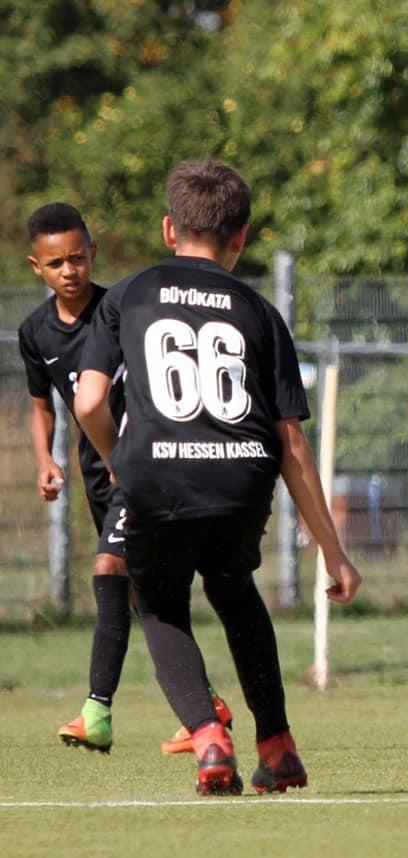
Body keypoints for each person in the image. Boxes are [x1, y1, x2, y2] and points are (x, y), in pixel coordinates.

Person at [74, 159, 362, 794]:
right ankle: (278, 747)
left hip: (157, 475)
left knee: (158, 602)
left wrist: (120, 461)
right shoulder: (259, 310)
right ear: (242, 236)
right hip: (242, 476)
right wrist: (333, 552)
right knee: (233, 589)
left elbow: (90, 401)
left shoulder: (129, 294)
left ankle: (208, 737)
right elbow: (292, 442)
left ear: (169, 229)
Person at [18, 203, 231, 755]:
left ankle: (97, 711)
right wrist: (45, 459)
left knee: (109, 568)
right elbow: (42, 407)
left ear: (93, 253)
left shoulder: (123, 310)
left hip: (142, 463)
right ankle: (205, 705)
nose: (70, 270)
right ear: (37, 267)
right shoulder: (34, 332)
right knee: (144, 592)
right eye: (56, 263)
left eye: (78, 258)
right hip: (97, 473)